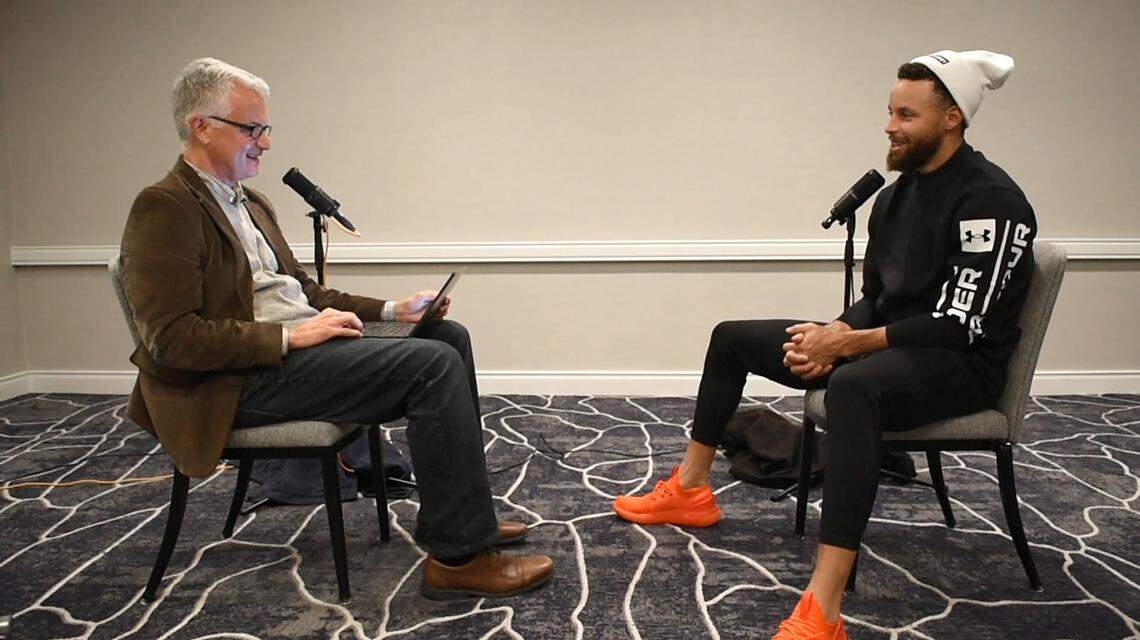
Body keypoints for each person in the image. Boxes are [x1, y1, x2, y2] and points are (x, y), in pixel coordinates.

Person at [612, 50, 1034, 639]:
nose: (889, 125)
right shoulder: (894, 197)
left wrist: (851, 346)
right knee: (733, 339)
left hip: (961, 366)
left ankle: (824, 608)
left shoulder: (991, 200)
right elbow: (879, 299)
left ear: (952, 120)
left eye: (906, 115)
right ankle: (690, 489)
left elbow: (961, 323)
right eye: (889, 111)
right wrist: (828, 337)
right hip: (889, 348)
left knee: (854, 387)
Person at [120, 58, 553, 600]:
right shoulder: (164, 206)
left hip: (288, 359)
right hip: (235, 381)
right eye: (251, 129)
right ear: (200, 126)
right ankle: (459, 561)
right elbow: (171, 337)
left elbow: (302, 292)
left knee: (447, 337)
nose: (265, 142)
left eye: (265, 128)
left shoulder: (250, 202)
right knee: (432, 366)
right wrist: (288, 337)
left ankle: (463, 517)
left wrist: (397, 310)